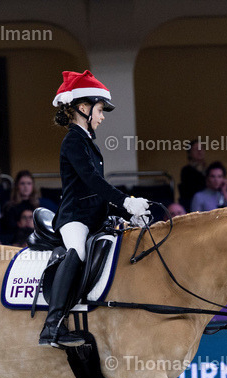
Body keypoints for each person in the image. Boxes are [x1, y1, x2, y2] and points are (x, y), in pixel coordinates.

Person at [41, 70, 149, 347]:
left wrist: (129, 213)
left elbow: (98, 191)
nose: (101, 117)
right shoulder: (74, 141)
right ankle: (52, 326)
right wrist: (125, 201)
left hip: (93, 216)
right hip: (74, 217)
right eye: (100, 110)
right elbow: (92, 182)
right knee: (77, 251)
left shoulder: (88, 142)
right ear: (83, 107)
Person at [178, 140, 207, 210]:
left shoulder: (210, 170)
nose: (199, 151)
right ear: (190, 153)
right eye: (196, 149)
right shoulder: (186, 171)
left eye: (201, 148)